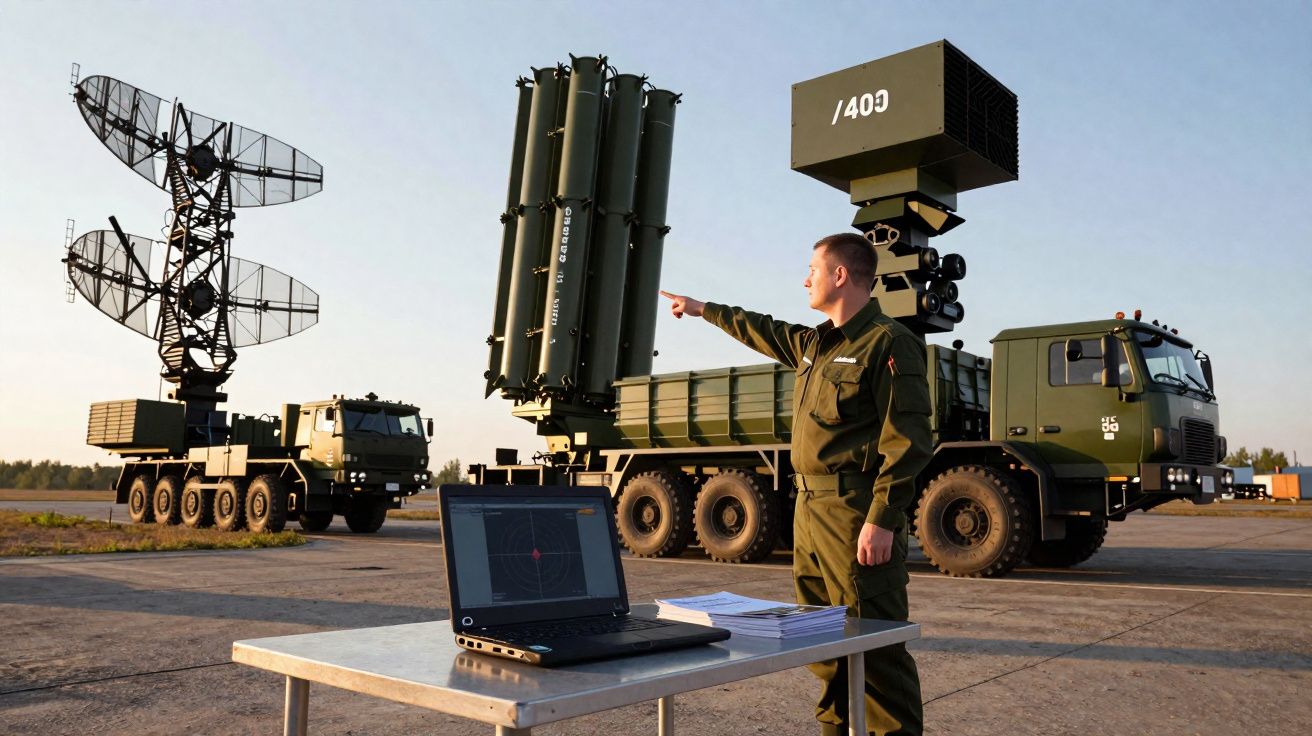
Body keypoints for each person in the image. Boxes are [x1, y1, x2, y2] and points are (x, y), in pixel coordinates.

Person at [659, 232, 932, 736]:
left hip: (853, 515)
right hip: (809, 514)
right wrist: (700, 308)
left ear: (841, 275)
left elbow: (908, 441)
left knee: (877, 650)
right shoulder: (813, 345)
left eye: (812, 268)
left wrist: (882, 519)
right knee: (822, 647)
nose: (805, 278)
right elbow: (758, 328)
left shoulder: (890, 344)